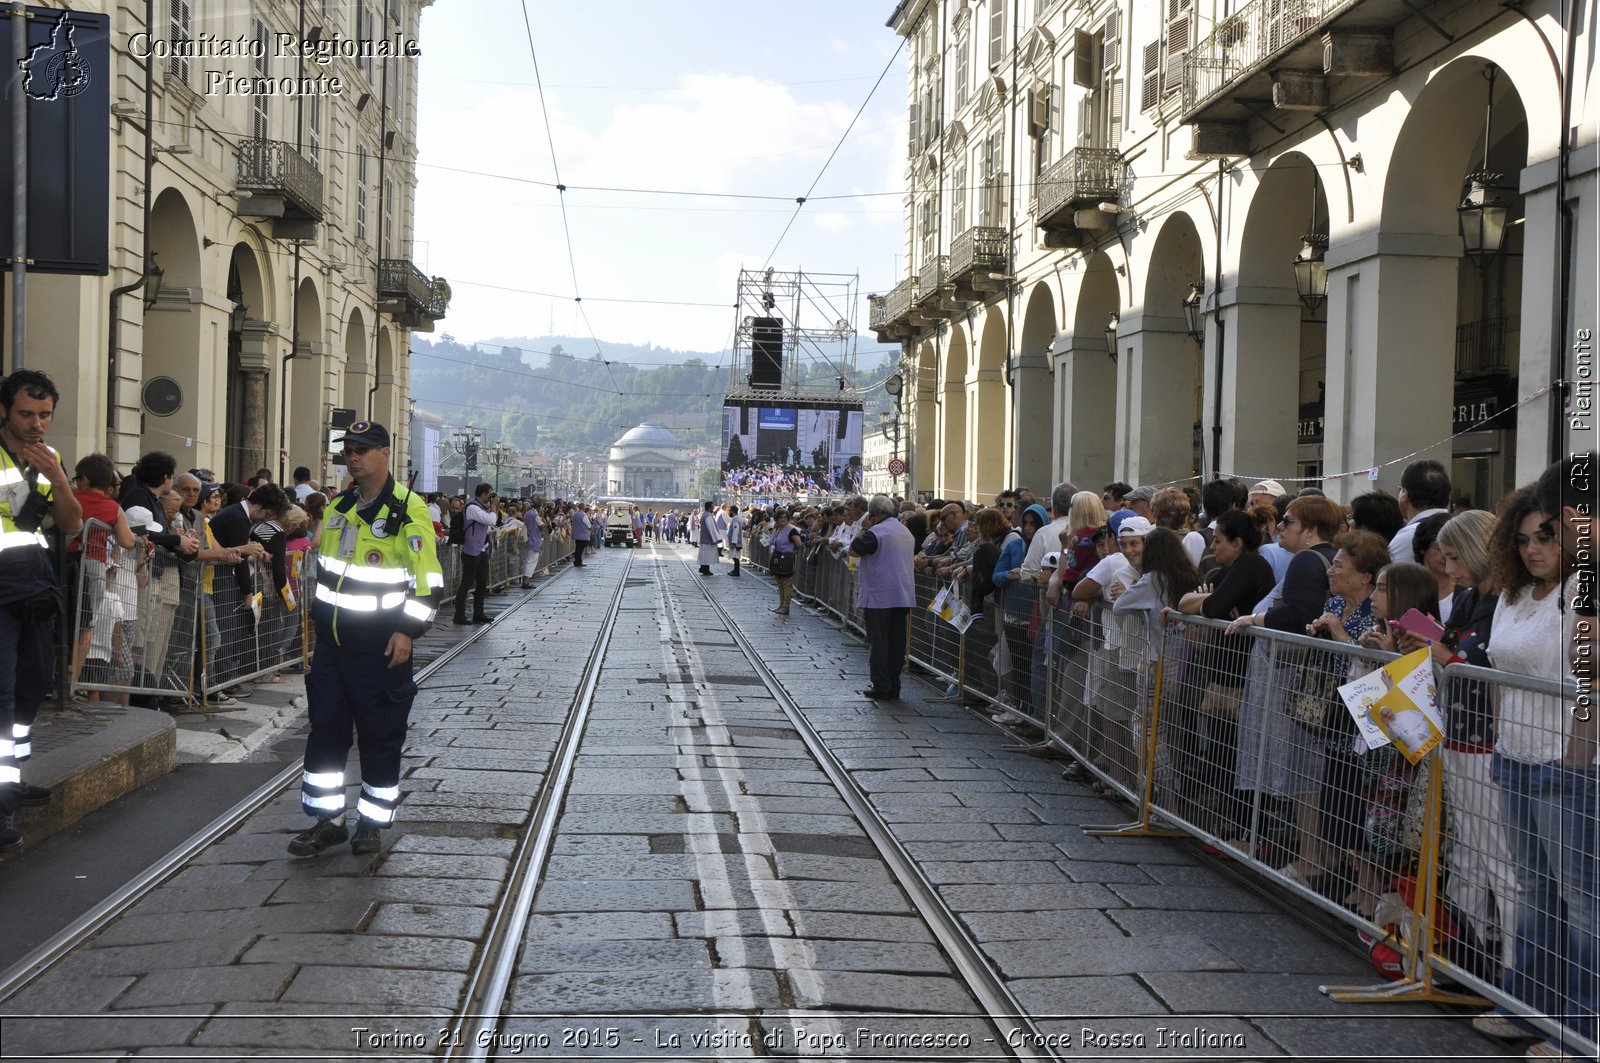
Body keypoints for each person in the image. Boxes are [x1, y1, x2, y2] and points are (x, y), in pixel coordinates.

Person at [1473, 486, 1591, 1059]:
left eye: (1546, 535)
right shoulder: (1513, 593)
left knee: (1581, 900)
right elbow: (1498, 669)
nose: (1534, 548)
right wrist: (1501, 744)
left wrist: (1576, 757)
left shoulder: (1582, 591)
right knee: (1537, 891)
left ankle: (1583, 1029)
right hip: (1516, 757)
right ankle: (1530, 1005)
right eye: (1522, 540)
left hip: (1569, 765)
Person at [290, 421, 442, 857]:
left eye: (362, 450)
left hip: (380, 647)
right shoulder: (339, 506)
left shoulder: (408, 510)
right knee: (326, 732)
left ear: (384, 454)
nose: (353, 458)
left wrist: (407, 630)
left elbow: (428, 581)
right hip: (333, 646)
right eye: (348, 451)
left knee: (380, 736)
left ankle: (371, 824)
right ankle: (327, 820)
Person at [0, 370, 83, 849]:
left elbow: (69, 525)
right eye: (26, 414)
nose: (37, 424)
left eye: (45, 415)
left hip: (33, 589)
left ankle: (11, 780)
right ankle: (1, 807)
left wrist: (58, 480)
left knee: (32, 687)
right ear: (6, 411)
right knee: (2, 695)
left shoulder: (48, 459)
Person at [850, 494, 916, 700]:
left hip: (880, 596)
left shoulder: (876, 532)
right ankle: (894, 685)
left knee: (879, 642)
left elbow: (853, 550)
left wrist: (864, 529)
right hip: (903, 595)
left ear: (873, 515)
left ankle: (880, 685)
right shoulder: (906, 532)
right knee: (896, 643)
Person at [1388, 458, 1451, 564]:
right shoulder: (1462, 527)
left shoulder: (1408, 536)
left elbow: (1390, 578)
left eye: (1400, 489)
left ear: (1404, 494)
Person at [454, 484, 497, 625]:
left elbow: (492, 523)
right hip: (471, 551)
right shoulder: (472, 507)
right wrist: (495, 506)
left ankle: (478, 614)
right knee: (466, 583)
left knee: (482, 583)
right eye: (490, 495)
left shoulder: (480, 507)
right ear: (483, 494)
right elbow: (491, 520)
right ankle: (459, 615)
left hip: (482, 550)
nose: (490, 498)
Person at [765, 508, 803, 614]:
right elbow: (772, 542)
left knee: (787, 583)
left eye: (785, 517)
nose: (783, 519)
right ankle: (781, 605)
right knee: (780, 583)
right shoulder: (777, 529)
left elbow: (798, 543)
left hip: (787, 558)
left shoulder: (792, 530)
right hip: (778, 557)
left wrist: (791, 551)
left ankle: (786, 606)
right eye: (781, 517)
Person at [697, 500, 720, 576]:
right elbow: (711, 528)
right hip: (708, 540)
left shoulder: (704, 515)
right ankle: (706, 569)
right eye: (712, 506)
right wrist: (716, 538)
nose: (713, 508)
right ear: (709, 508)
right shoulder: (708, 516)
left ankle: (703, 568)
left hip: (704, 539)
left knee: (704, 555)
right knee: (707, 556)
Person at [726, 504, 744, 576]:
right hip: (735, 542)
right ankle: (735, 570)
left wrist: (734, 542)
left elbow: (735, 532)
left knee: (736, 557)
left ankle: (736, 571)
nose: (728, 513)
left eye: (729, 511)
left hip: (735, 542)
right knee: (734, 556)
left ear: (733, 511)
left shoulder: (736, 521)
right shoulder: (736, 519)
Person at [569, 503, 589, 567]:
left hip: (576, 534)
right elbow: (588, 525)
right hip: (583, 535)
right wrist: (590, 528)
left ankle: (576, 561)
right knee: (580, 549)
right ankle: (579, 562)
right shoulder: (583, 515)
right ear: (583, 508)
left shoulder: (575, 514)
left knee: (577, 548)